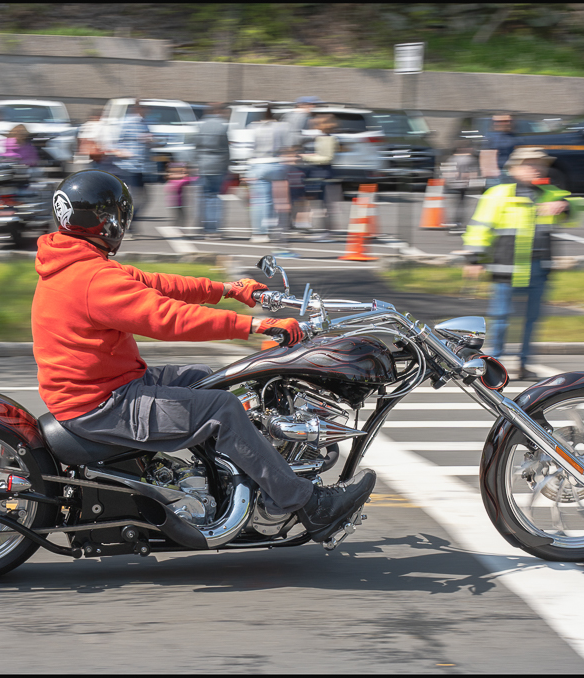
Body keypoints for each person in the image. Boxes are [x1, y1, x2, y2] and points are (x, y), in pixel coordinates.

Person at [31, 169, 376, 541]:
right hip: (102, 404)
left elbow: (157, 284)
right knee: (222, 410)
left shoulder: (73, 262)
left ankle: (230, 478)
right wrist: (257, 325)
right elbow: (169, 318)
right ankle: (307, 504)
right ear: (108, 221)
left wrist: (229, 289)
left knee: (210, 378)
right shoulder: (93, 280)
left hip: (105, 385)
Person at [462, 148, 584, 380]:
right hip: (506, 269)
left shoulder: (551, 193)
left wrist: (565, 205)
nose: (536, 168)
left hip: (539, 268)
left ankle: (524, 364)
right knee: (501, 319)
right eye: (529, 163)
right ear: (514, 168)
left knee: (532, 320)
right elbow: (479, 228)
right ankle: (493, 367)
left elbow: (579, 209)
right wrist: (474, 258)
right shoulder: (499, 194)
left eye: (540, 164)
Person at [248, 105, 290, 244]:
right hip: (276, 164)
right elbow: (287, 145)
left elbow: (249, 148)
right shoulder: (282, 127)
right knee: (275, 201)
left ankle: (259, 233)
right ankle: (274, 229)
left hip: (258, 164)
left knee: (259, 201)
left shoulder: (253, 127)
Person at [110, 101, 152, 235]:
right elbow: (114, 142)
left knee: (145, 198)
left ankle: (128, 221)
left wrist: (151, 140)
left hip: (141, 166)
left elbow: (146, 142)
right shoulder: (126, 123)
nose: (148, 110)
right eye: (145, 108)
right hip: (129, 166)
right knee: (133, 197)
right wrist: (122, 152)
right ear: (138, 108)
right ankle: (126, 224)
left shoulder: (145, 123)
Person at [299, 114, 339, 242]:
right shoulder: (324, 137)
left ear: (324, 125)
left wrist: (306, 157)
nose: (314, 125)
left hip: (323, 174)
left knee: (324, 205)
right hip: (320, 172)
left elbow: (327, 158)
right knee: (322, 204)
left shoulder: (327, 138)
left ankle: (327, 233)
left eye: (318, 123)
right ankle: (325, 232)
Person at [195, 101, 230, 240]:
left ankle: (204, 227)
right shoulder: (222, 126)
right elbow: (225, 148)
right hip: (218, 165)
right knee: (215, 197)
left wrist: (196, 162)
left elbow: (197, 146)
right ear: (218, 111)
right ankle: (214, 229)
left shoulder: (202, 125)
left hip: (204, 164)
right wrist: (227, 166)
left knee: (204, 197)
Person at [441, 139, 481, 234]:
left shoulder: (452, 158)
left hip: (452, 184)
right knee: (461, 205)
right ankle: (457, 222)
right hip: (463, 185)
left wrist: (447, 180)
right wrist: (473, 181)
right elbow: (473, 172)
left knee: (453, 204)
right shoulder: (470, 159)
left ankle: (452, 222)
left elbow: (446, 170)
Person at [480, 113, 518, 191]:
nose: (507, 123)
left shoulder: (512, 135)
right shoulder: (491, 136)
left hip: (510, 170)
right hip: (496, 172)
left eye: (508, 121)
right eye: (503, 121)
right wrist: (489, 171)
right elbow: (485, 154)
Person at [163, 161, 196, 232]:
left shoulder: (171, 181)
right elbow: (191, 180)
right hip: (178, 203)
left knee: (178, 217)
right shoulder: (181, 181)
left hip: (173, 203)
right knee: (182, 217)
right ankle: (178, 228)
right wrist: (189, 174)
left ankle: (176, 227)